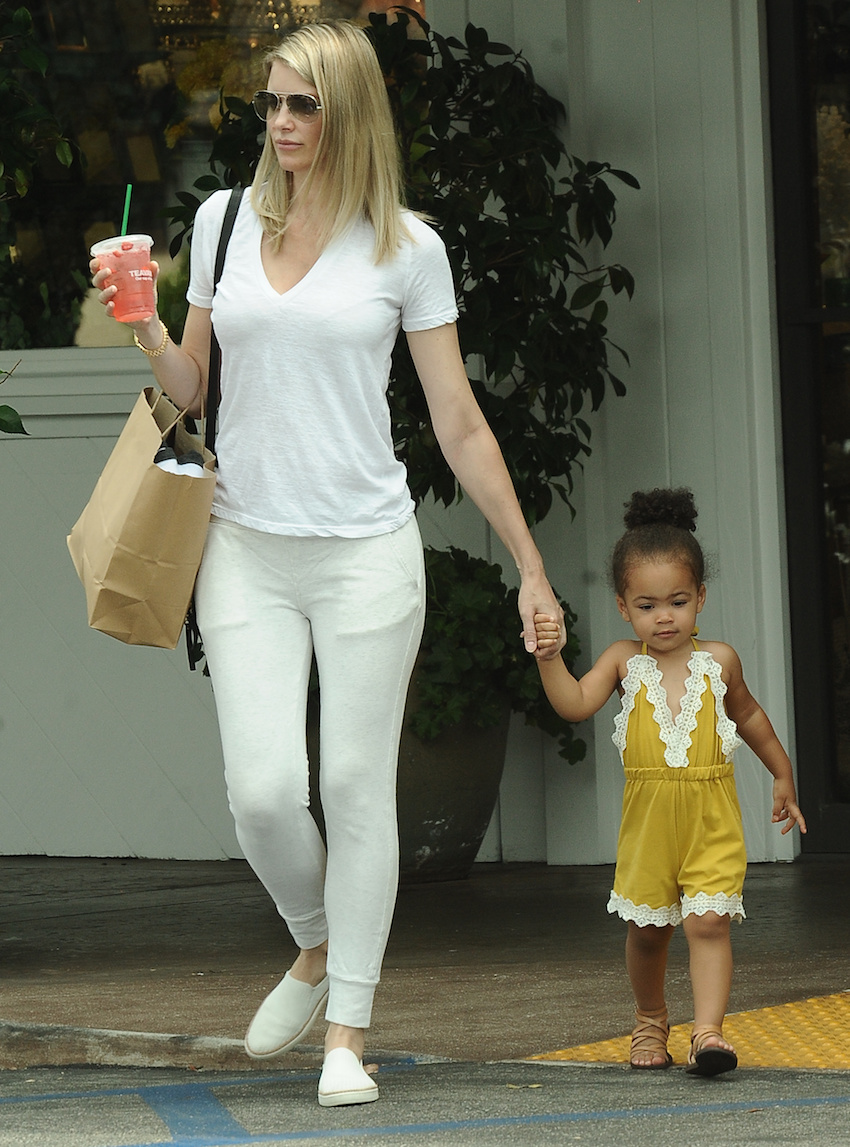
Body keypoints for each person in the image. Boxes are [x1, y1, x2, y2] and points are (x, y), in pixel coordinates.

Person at [92, 19, 564, 1108]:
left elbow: (458, 420)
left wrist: (530, 567)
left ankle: (346, 1027)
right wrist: (143, 319)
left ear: (348, 112)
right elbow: (192, 383)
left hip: (365, 552)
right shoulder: (221, 223)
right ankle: (312, 944)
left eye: (304, 105)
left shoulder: (406, 246)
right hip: (246, 544)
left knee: (354, 788)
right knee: (262, 794)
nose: (282, 124)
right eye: (271, 103)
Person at [530, 488, 805, 1076]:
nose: (664, 617)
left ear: (700, 598)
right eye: (648, 605)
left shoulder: (720, 660)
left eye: (678, 602)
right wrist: (548, 658)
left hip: (711, 817)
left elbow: (750, 716)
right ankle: (651, 1020)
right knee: (649, 932)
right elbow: (575, 704)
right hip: (649, 822)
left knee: (709, 921)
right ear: (624, 606)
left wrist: (782, 773)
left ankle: (709, 1033)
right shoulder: (622, 662)